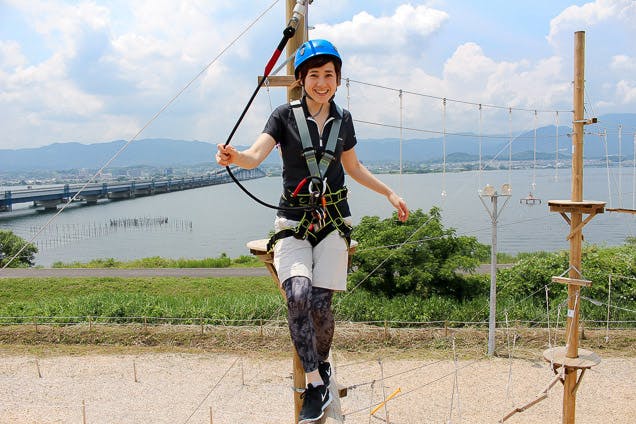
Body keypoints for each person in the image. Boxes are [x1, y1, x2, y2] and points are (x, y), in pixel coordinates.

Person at [216, 39, 408, 423]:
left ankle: (319, 365)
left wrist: (388, 192)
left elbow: (352, 167)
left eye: (329, 75)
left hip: (334, 221)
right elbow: (256, 155)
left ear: (338, 80)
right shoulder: (283, 117)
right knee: (298, 294)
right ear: (301, 79)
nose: (322, 83)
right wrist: (236, 156)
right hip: (293, 223)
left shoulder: (344, 119)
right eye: (315, 75)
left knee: (320, 306)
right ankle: (315, 382)